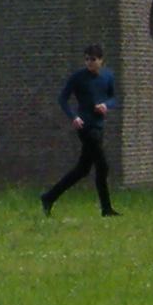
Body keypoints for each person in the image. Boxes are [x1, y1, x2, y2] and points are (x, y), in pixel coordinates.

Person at [41, 42, 117, 216]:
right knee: (103, 166)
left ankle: (49, 196)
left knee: (82, 170)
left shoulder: (107, 77)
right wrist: (73, 117)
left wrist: (106, 105)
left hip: (99, 126)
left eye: (93, 59)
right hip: (85, 127)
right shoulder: (78, 77)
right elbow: (63, 99)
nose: (89, 63)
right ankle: (106, 208)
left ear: (101, 60)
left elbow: (113, 98)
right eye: (87, 60)